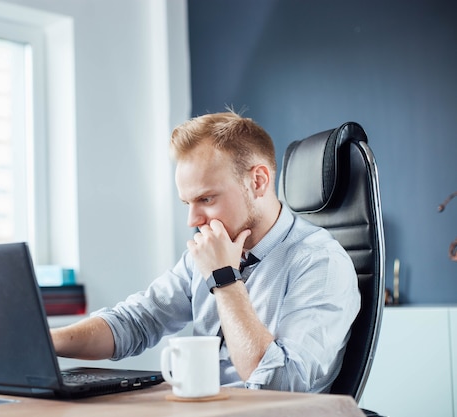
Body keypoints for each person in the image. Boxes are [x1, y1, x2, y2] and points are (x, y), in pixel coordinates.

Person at [50, 111, 360, 393]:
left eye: (207, 199)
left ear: (258, 181)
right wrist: (45, 342)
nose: (192, 221)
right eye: (188, 203)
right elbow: (136, 322)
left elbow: (280, 382)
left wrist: (224, 280)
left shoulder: (321, 263)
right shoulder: (208, 253)